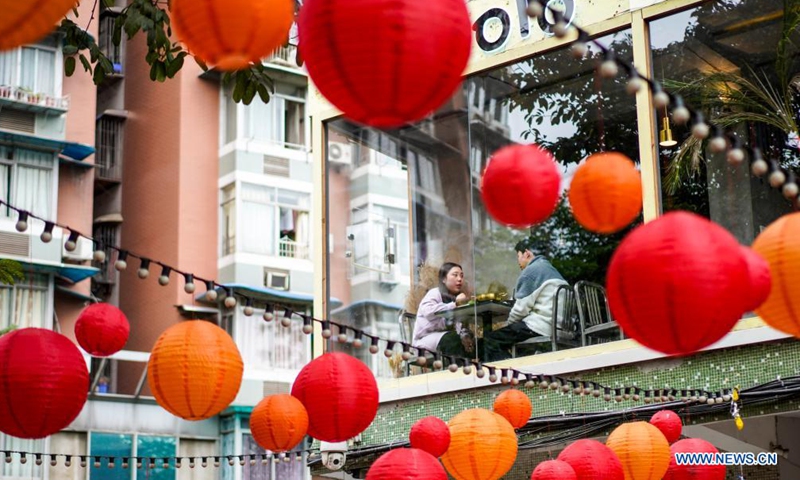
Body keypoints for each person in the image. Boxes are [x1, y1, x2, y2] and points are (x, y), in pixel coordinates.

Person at [482, 238, 568, 361]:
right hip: (561, 328)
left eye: (518, 256)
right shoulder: (551, 269)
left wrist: (509, 325)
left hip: (542, 327)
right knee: (513, 340)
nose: (518, 261)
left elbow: (520, 310)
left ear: (526, 253)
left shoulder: (531, 271)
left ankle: (508, 370)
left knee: (490, 340)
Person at [412, 262, 475, 358]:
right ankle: (456, 367)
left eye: (461, 276)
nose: (459, 279)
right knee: (452, 339)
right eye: (455, 275)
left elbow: (460, 325)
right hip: (424, 340)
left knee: (475, 344)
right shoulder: (434, 293)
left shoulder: (457, 297)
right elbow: (428, 311)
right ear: (444, 279)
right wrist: (455, 304)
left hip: (447, 337)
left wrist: (466, 336)